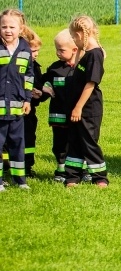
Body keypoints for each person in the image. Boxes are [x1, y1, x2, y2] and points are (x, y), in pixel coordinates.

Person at [64, 15, 109, 188]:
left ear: (81, 35)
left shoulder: (95, 55)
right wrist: (78, 53)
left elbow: (91, 83)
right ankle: (73, 176)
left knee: (89, 141)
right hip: (78, 108)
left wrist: (78, 107)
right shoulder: (86, 53)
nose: (74, 42)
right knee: (74, 140)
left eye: (74, 37)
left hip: (88, 108)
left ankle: (100, 177)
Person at [0, 9, 33, 191]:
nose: (8, 30)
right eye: (4, 26)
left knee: (18, 144)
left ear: (21, 29)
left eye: (12, 27)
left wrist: (27, 99)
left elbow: (28, 76)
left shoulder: (24, 48)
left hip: (17, 109)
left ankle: (20, 180)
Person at [41, 30, 78, 182]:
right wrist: (43, 88)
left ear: (74, 50)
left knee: (76, 143)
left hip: (75, 116)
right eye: (56, 49)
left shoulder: (80, 68)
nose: (58, 53)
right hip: (58, 117)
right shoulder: (54, 68)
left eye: (61, 50)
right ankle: (61, 169)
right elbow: (43, 82)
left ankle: (78, 170)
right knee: (59, 144)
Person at [21, 27, 44, 177]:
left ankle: (28, 166)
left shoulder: (35, 67)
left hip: (30, 112)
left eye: (37, 51)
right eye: (33, 51)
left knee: (29, 139)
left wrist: (40, 92)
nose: (36, 54)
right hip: (17, 109)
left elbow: (38, 84)